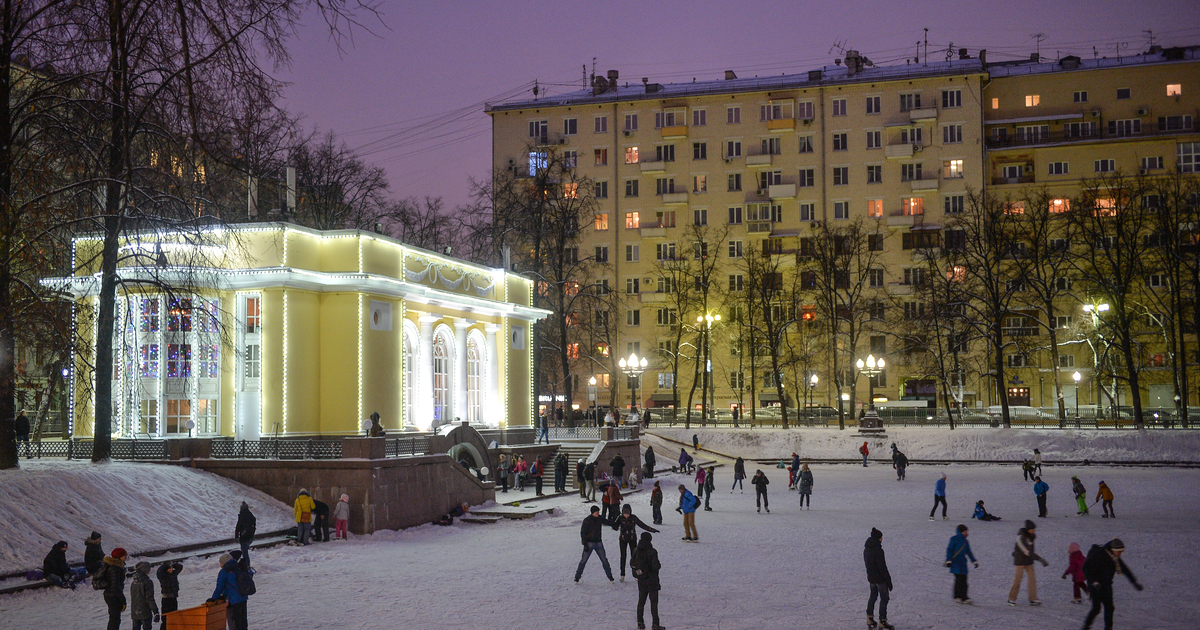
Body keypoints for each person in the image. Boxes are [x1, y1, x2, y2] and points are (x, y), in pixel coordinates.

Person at [1081, 538, 1143, 630]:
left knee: (1109, 608)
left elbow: (1125, 569)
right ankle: (1086, 627)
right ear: (1113, 550)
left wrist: (1134, 582)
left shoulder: (1115, 558)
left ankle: (1108, 628)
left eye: (1121, 552)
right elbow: (1086, 568)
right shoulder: (1099, 555)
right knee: (1096, 608)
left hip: (1106, 585)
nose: (1120, 554)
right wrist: (1094, 582)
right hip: (1095, 585)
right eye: (1118, 552)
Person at [1008, 519, 1048, 606]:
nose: (1034, 531)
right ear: (1028, 529)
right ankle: (1011, 598)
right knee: (1018, 579)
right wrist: (1040, 559)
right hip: (1020, 561)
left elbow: (1030, 551)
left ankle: (1033, 598)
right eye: (1032, 529)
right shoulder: (1020, 538)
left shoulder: (1031, 536)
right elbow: (1027, 551)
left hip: (1028, 561)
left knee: (1032, 579)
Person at [615, 504, 659, 581]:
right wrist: (614, 524)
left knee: (636, 557)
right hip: (623, 539)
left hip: (632, 539)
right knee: (623, 556)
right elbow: (614, 526)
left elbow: (642, 525)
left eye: (628, 514)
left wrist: (651, 529)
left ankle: (636, 573)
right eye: (625, 514)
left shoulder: (633, 518)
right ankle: (622, 574)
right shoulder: (620, 518)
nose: (626, 515)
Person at [631, 532, 664, 630]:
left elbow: (632, 563)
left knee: (641, 601)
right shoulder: (652, 551)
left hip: (641, 580)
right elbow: (656, 566)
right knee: (654, 603)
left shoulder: (636, 550)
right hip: (652, 580)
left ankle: (640, 622)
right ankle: (655, 624)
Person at [574, 505, 615, 583]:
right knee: (583, 560)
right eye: (596, 512)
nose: (598, 513)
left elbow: (607, 522)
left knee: (604, 560)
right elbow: (583, 533)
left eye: (598, 512)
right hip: (589, 543)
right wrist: (585, 544)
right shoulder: (587, 520)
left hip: (599, 543)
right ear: (592, 512)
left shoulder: (599, 518)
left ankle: (610, 577)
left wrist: (616, 523)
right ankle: (577, 577)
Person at [863, 528, 894, 630]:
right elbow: (882, 567)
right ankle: (882, 620)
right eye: (881, 538)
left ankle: (870, 618)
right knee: (884, 598)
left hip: (871, 578)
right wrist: (888, 580)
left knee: (873, 596)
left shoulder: (866, 549)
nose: (882, 539)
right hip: (880, 579)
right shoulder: (878, 550)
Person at [209, 553, 249, 630]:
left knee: (235, 623)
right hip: (243, 597)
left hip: (233, 601)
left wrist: (214, 598)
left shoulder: (224, 572)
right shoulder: (239, 566)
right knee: (243, 622)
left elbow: (219, 587)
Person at [945, 524, 979, 603]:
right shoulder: (954, 539)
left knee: (964, 580)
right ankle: (957, 596)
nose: (966, 533)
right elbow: (949, 550)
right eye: (965, 532)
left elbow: (968, 552)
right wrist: (949, 560)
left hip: (963, 563)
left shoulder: (965, 541)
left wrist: (974, 561)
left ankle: (964, 596)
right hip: (955, 563)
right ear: (961, 532)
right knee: (959, 580)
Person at [99, 547, 128, 630]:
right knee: (115, 620)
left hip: (110, 594)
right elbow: (115, 586)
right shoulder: (115, 569)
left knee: (114, 618)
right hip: (113, 596)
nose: (125, 558)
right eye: (124, 556)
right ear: (119, 557)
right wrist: (123, 600)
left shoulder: (114, 566)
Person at [129, 561, 160, 630]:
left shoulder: (133, 582)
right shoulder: (147, 582)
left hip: (135, 611)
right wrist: (155, 611)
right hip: (145, 611)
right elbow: (149, 598)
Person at [155, 561, 183, 630]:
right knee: (165, 618)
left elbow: (180, 567)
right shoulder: (163, 576)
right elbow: (159, 571)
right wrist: (165, 565)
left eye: (172, 568)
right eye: (169, 568)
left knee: (174, 616)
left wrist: (173, 564)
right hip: (166, 599)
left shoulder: (173, 574)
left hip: (174, 597)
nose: (171, 570)